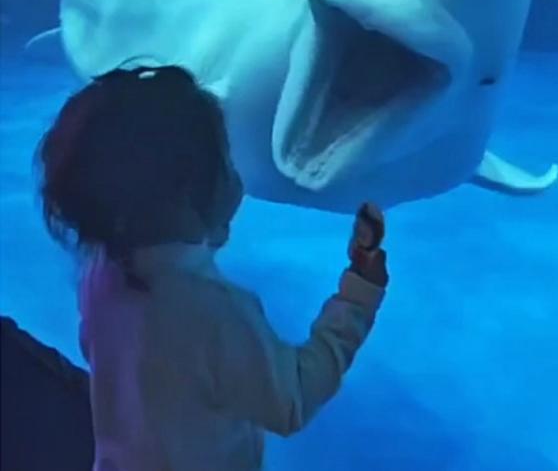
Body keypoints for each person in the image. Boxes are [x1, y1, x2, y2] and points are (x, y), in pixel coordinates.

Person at [34, 64, 389, 471]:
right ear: (190, 195)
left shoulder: (101, 273)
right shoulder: (217, 312)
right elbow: (291, 400)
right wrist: (358, 296)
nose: (237, 175)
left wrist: (206, 227)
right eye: (225, 160)